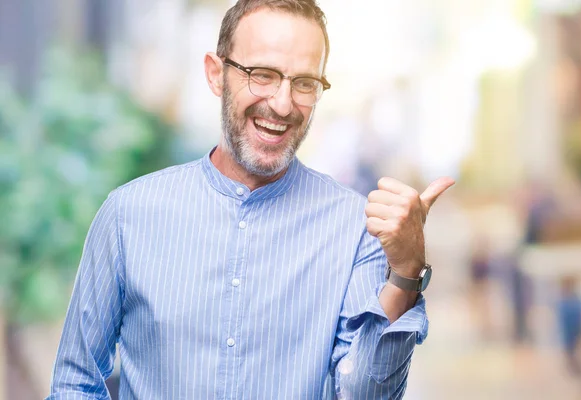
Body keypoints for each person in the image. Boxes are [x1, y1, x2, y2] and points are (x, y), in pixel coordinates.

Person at [46, 1, 454, 399]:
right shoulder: (126, 216)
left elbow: (364, 395)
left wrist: (405, 271)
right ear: (216, 75)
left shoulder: (357, 229)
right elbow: (75, 384)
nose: (282, 104)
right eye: (262, 74)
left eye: (304, 83)